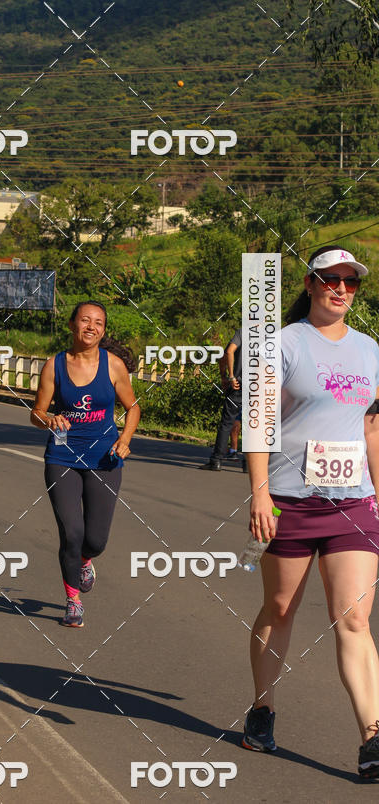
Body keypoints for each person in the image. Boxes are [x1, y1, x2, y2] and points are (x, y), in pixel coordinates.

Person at [242, 245, 379, 781]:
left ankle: (372, 735)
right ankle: (263, 706)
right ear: (309, 283)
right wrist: (259, 494)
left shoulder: (371, 350)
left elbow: (372, 428)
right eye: (331, 279)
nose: (341, 289)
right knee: (279, 610)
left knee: (354, 617)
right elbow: (259, 425)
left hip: (353, 503)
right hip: (289, 501)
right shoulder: (280, 345)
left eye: (351, 282)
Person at [31, 301, 141, 628]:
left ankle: (85, 560)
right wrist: (49, 418)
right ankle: (73, 601)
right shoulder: (54, 366)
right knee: (72, 531)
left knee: (95, 540)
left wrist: (125, 439)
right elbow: (35, 413)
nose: (91, 327)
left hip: (104, 458)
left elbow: (133, 408)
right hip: (62, 457)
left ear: (103, 330)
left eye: (98, 323)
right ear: (72, 324)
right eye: (85, 320)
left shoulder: (114, 366)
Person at [200, 328, 244, 471]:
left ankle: (216, 460)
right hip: (259, 388)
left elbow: (228, 352)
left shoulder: (243, 332)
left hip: (238, 386)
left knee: (226, 423)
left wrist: (227, 376)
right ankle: (249, 465)